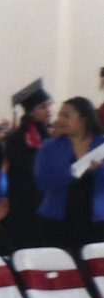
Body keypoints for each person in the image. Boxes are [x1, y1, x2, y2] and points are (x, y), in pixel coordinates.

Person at [33, 96, 103, 248]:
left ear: (84, 119)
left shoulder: (101, 145)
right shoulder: (50, 146)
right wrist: (75, 171)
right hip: (57, 220)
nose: (60, 120)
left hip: (96, 220)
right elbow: (42, 181)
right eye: (60, 115)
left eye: (67, 115)